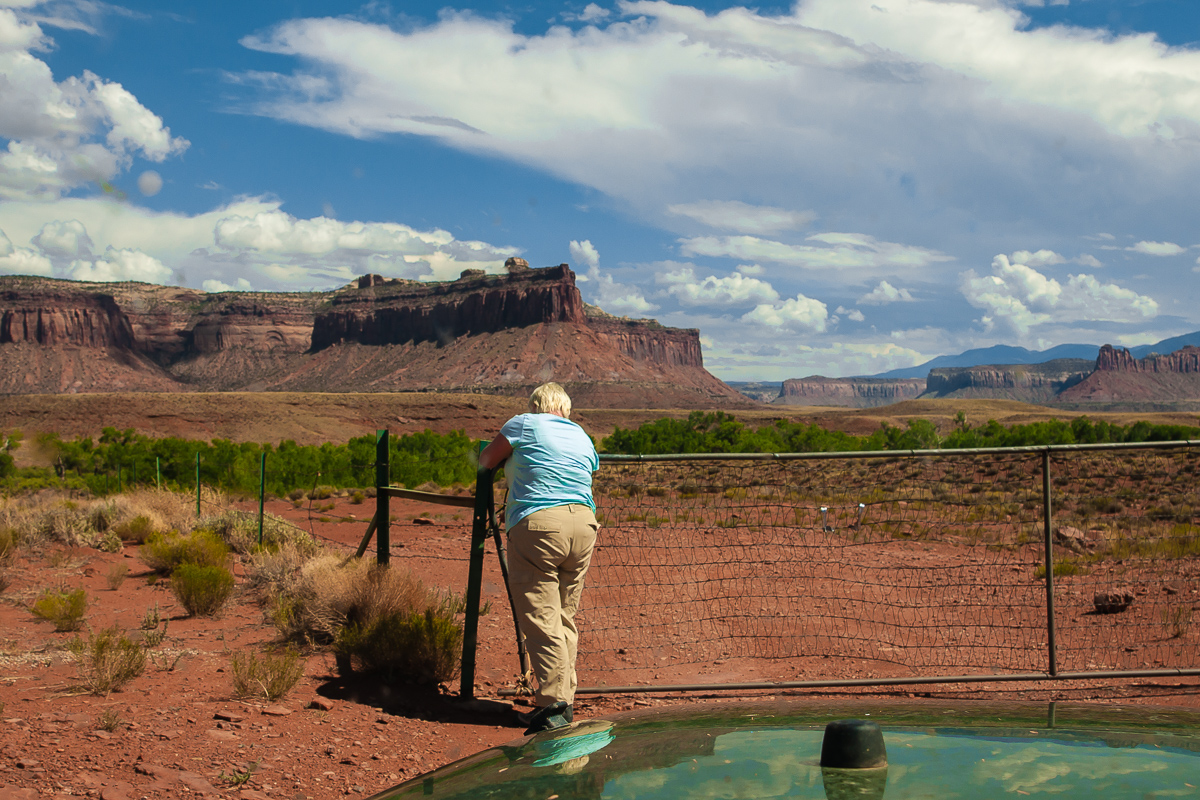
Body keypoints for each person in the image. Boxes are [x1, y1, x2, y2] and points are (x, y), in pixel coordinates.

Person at [479, 382, 600, 734]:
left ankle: (551, 707)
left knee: (540, 616)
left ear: (536, 404)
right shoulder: (582, 435)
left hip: (539, 524)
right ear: (565, 407)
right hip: (584, 524)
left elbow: (486, 459)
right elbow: (588, 471)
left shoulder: (524, 423)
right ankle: (566, 700)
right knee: (564, 616)